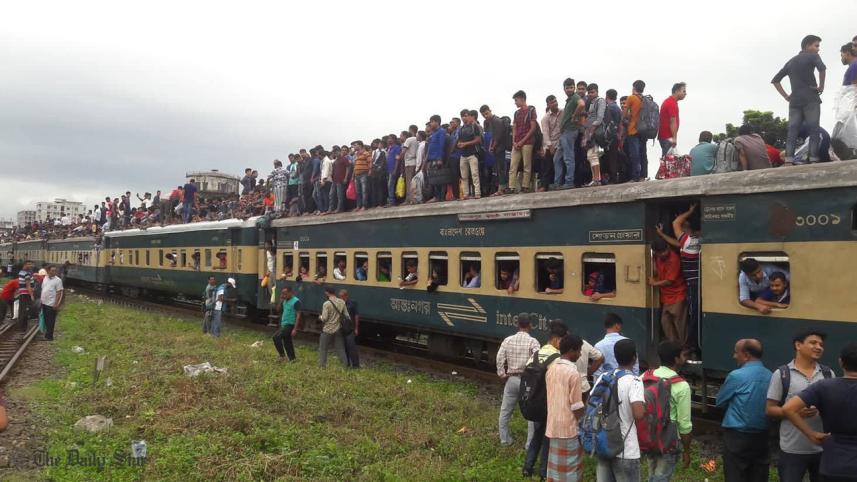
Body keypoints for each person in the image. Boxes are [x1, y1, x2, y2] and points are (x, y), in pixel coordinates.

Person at [783, 342, 857, 482]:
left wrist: (812, 434)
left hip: (833, 464)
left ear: (841, 362)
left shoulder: (824, 386)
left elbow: (788, 408)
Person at [767, 330, 831, 482]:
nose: (819, 347)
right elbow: (770, 409)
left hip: (822, 448)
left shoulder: (828, 374)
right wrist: (794, 412)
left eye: (821, 344)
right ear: (798, 345)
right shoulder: (782, 374)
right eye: (813, 343)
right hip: (792, 449)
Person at [716, 339, 772, 482]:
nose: (734, 356)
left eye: (736, 352)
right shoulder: (770, 375)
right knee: (759, 475)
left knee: (735, 475)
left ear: (746, 355)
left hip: (737, 436)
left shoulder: (737, 375)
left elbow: (720, 401)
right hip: (762, 435)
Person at [595, 338, 645, 482]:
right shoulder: (634, 381)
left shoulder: (604, 378)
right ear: (634, 358)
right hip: (626, 450)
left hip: (604, 444)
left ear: (616, 357)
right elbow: (638, 414)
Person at [772, 35, 827, 164]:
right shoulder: (813, 56)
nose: (818, 49)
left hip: (795, 100)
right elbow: (822, 69)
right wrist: (821, 86)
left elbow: (775, 80)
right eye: (816, 45)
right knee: (814, 128)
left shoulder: (791, 61)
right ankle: (813, 158)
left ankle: (789, 159)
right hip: (810, 98)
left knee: (793, 129)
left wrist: (786, 96)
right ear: (807, 46)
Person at [655, 204, 701, 352]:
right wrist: (662, 235)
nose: (680, 230)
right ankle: (680, 348)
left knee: (690, 318)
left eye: (684, 227)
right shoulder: (692, 242)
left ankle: (688, 348)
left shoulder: (687, 241)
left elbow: (676, 223)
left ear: (690, 231)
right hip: (694, 283)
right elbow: (676, 242)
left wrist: (690, 211)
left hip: (692, 285)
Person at [524, 320, 566, 479]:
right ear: (557, 340)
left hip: (534, 403)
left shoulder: (535, 355)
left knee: (537, 436)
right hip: (549, 405)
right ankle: (543, 473)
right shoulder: (556, 358)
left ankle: (527, 468)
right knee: (548, 440)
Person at [646, 340, 693, 481]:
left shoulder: (645, 376)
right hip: (669, 439)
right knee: (661, 477)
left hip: (649, 434)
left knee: (652, 472)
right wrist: (686, 450)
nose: (685, 359)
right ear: (676, 359)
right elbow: (684, 424)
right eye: (683, 355)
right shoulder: (682, 386)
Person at [495, 313, 540, 447]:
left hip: (512, 379)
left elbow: (499, 357)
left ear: (517, 324)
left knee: (505, 410)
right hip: (527, 381)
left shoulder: (508, 340)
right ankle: (529, 444)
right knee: (530, 414)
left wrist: (502, 373)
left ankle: (504, 440)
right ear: (530, 325)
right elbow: (538, 360)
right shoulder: (533, 342)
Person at [545, 333, 585, 482]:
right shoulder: (573, 373)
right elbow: (576, 405)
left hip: (553, 426)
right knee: (571, 470)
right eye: (579, 350)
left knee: (555, 471)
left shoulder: (552, 369)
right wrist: (583, 422)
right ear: (571, 350)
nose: (580, 354)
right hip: (569, 429)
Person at [649, 237, 687, 345]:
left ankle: (684, 348)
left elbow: (670, 280)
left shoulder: (674, 259)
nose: (664, 254)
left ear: (668, 247)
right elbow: (656, 271)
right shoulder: (657, 258)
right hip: (666, 296)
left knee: (680, 324)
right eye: (660, 253)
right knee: (665, 322)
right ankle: (673, 346)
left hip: (678, 294)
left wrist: (654, 283)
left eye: (665, 251)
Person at [557, 78, 586, 188]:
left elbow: (582, 104)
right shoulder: (569, 99)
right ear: (564, 89)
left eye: (571, 87)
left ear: (574, 88)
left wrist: (574, 115)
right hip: (565, 132)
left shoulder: (575, 97)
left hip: (570, 131)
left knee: (568, 158)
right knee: (557, 158)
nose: (569, 89)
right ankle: (557, 182)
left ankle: (569, 182)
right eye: (567, 88)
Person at [593, 313, 638, 379]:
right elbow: (635, 367)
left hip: (608, 382)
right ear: (617, 326)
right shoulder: (628, 342)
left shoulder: (598, 345)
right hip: (627, 379)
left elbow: (597, 372)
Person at [509, 90, 537, 194]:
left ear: (522, 99)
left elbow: (533, 128)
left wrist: (522, 141)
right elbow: (514, 127)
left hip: (527, 141)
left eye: (516, 100)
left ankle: (525, 186)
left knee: (527, 165)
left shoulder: (531, 110)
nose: (515, 102)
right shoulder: (516, 113)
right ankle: (511, 187)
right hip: (516, 142)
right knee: (513, 166)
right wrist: (514, 141)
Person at [318, 286, 348, 368]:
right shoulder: (342, 302)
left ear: (327, 293)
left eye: (325, 292)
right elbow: (347, 316)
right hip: (338, 328)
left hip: (327, 329)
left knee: (323, 349)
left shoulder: (326, 304)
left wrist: (320, 317)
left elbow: (324, 318)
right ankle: (345, 365)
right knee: (340, 349)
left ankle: (322, 366)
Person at [582, 83, 606, 186]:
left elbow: (600, 118)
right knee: (590, 156)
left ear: (597, 91)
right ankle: (595, 179)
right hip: (589, 130)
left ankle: (597, 179)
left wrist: (592, 130)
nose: (590, 94)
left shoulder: (600, 101)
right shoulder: (591, 102)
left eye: (592, 92)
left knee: (593, 155)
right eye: (589, 92)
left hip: (595, 131)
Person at [623, 80, 647, 182]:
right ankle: (643, 176)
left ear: (634, 88)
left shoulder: (631, 98)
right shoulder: (646, 99)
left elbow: (624, 114)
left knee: (635, 154)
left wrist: (629, 116)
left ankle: (635, 176)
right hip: (644, 130)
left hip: (633, 130)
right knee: (643, 154)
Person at [457, 109, 483, 199]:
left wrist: (465, 144)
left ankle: (477, 193)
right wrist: (460, 144)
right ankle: (466, 194)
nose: (464, 117)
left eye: (466, 115)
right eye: (462, 116)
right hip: (463, 154)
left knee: (474, 174)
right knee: (464, 176)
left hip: (472, 153)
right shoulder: (460, 129)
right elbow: (459, 140)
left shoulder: (474, 126)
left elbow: (478, 140)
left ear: (469, 116)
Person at [540, 95, 563, 191]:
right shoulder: (545, 118)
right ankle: (545, 186)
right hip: (552, 144)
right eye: (552, 102)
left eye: (555, 101)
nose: (555, 103)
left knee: (563, 163)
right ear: (548, 105)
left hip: (562, 141)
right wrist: (550, 146)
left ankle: (561, 183)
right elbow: (545, 134)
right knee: (548, 166)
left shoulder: (563, 112)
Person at [658, 83, 687, 157]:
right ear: (677, 91)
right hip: (667, 136)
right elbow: (673, 122)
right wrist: (674, 138)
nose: (685, 94)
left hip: (666, 136)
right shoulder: (671, 103)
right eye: (683, 91)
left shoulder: (671, 102)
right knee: (668, 162)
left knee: (668, 161)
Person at [272, 286, 301, 362]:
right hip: (284, 324)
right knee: (287, 341)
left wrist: (295, 329)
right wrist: (280, 300)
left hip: (290, 324)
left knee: (276, 337)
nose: (284, 295)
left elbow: (298, 316)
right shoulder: (284, 301)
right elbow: (278, 310)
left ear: (291, 293)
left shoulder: (296, 301)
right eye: (282, 294)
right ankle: (292, 359)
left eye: (285, 294)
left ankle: (282, 356)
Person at [39, 265, 63, 341]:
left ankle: (50, 337)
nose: (54, 272)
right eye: (52, 270)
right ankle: (47, 335)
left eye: (55, 271)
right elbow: (43, 289)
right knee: (45, 319)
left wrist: (56, 304)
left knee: (51, 320)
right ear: (48, 271)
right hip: (44, 302)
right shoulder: (45, 278)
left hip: (51, 303)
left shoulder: (58, 280)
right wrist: (41, 300)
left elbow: (59, 292)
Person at [339, 289, 360, 368]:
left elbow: (356, 315)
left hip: (350, 328)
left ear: (346, 296)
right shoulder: (340, 304)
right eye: (340, 297)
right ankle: (346, 363)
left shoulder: (352, 303)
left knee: (352, 347)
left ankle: (356, 365)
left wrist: (356, 328)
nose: (341, 298)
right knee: (344, 347)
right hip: (343, 328)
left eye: (342, 297)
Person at [16, 260, 34, 330]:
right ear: (24, 265)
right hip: (26, 294)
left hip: (22, 293)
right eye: (28, 264)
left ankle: (21, 326)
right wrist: (31, 295)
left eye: (31, 264)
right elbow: (28, 285)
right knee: (25, 310)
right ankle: (23, 327)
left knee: (22, 310)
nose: (30, 266)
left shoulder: (21, 272)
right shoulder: (27, 274)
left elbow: (21, 283)